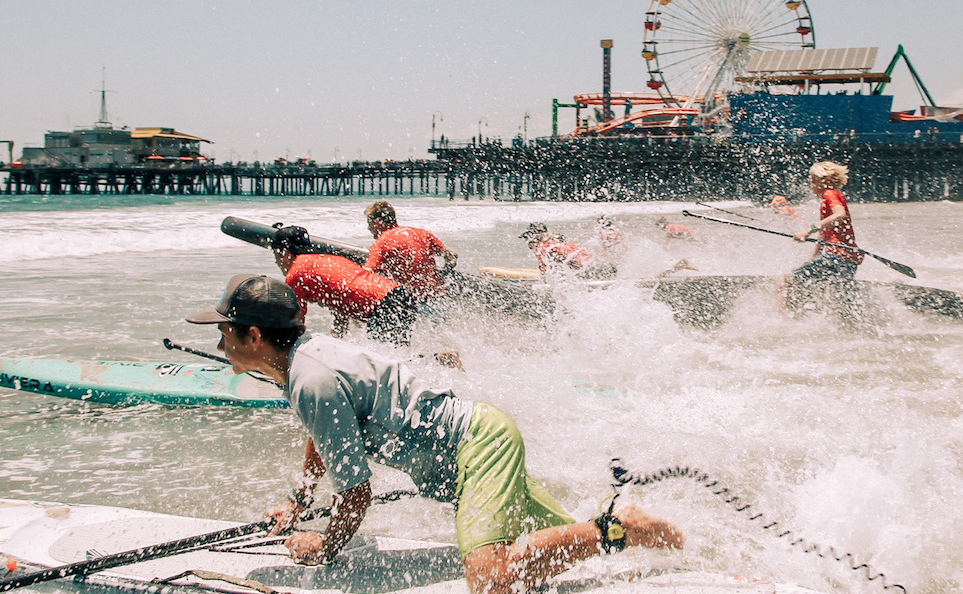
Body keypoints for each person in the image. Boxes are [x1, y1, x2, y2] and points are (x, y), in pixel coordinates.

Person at [185, 275, 683, 594]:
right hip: (475, 449)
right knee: (543, 558)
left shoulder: (309, 377)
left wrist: (326, 547)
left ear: (253, 336)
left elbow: (356, 493)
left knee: (489, 581)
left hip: (478, 448)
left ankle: (619, 525)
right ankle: (678, 543)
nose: (218, 341)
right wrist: (299, 499)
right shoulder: (304, 361)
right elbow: (325, 433)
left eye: (225, 331)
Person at [272, 226, 419, 346]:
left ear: (284, 253)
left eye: (275, 256)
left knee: (384, 360)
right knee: (396, 354)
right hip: (400, 296)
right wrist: (339, 337)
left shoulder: (296, 273)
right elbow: (341, 294)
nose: (276, 262)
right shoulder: (325, 260)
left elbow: (295, 324)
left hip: (382, 305)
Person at [779, 161, 865, 315]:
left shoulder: (830, 193)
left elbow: (840, 214)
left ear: (825, 182)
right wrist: (812, 257)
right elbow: (824, 235)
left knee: (785, 279)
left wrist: (808, 230)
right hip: (847, 260)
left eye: (814, 181)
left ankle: (783, 319)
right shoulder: (828, 200)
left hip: (837, 257)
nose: (811, 186)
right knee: (835, 299)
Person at [363, 200, 458, 301]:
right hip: (438, 297)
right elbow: (452, 255)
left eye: (370, 223)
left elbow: (366, 275)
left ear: (378, 223)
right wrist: (445, 273)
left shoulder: (382, 242)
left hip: (414, 301)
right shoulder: (421, 233)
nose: (368, 228)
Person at [520, 223, 617, 280]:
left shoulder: (541, 246)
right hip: (606, 264)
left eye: (526, 239)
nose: (527, 243)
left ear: (532, 237)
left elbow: (545, 274)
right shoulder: (556, 241)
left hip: (593, 269)